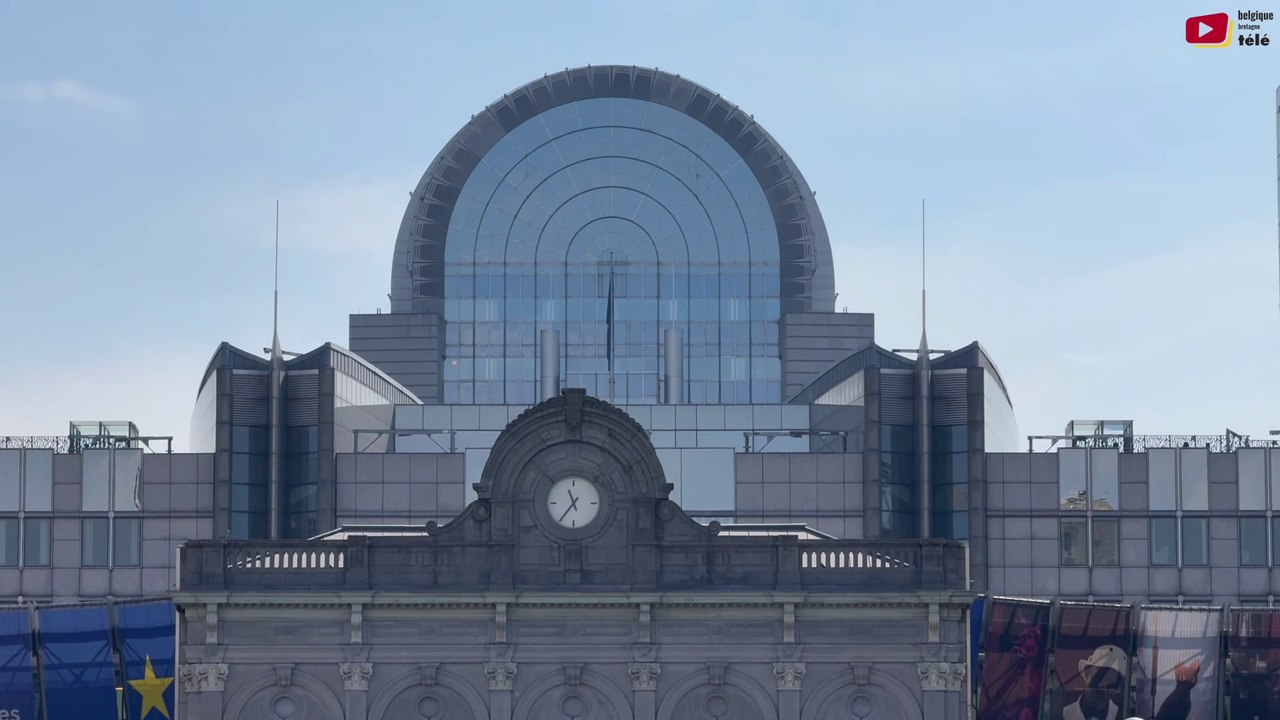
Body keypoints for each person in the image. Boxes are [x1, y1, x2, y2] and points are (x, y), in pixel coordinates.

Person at [1063, 645, 1128, 720]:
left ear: (1118, 688)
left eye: (1110, 685)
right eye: (1098, 678)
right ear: (1087, 674)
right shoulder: (1063, 715)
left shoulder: (1125, 716)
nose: (1101, 688)